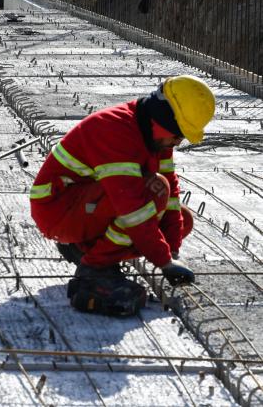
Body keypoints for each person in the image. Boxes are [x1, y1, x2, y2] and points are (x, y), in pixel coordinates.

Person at [29, 75, 216, 316]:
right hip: (57, 210)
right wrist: (164, 262)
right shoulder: (116, 130)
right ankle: (94, 268)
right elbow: (133, 210)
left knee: (182, 218)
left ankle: (87, 247)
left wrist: (173, 249)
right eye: (178, 134)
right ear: (162, 119)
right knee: (151, 194)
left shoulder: (157, 136)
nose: (178, 142)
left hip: (86, 206)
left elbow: (171, 191)